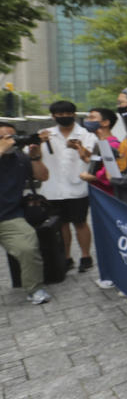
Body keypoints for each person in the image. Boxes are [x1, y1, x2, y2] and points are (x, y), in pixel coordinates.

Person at [37, 100, 98, 272]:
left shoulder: (86, 134)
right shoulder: (44, 134)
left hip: (77, 188)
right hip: (52, 189)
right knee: (61, 224)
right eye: (60, 114)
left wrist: (78, 147)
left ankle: (86, 256)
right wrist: (38, 142)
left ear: (74, 114)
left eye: (68, 114)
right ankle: (66, 257)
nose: (64, 117)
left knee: (80, 223)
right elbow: (32, 155)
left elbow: (91, 157)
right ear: (53, 116)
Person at [0, 123, 52, 304]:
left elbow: (43, 177)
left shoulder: (19, 157)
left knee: (28, 248)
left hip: (8, 216)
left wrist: (36, 157)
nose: (9, 142)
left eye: (12, 137)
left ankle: (34, 289)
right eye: (3, 138)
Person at [78, 107, 120, 197]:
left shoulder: (113, 145)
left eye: (92, 118)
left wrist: (90, 177)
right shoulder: (99, 143)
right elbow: (97, 163)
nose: (87, 121)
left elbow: (110, 173)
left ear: (105, 123)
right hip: (97, 192)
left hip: (108, 195)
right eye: (87, 118)